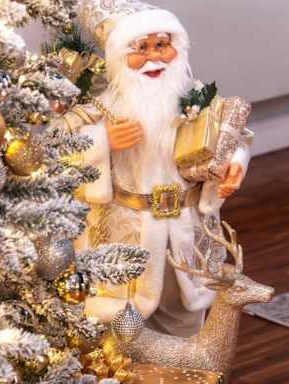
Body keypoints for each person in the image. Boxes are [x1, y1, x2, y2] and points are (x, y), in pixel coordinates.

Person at [57, 0, 251, 337]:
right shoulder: (101, 105)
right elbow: (55, 147)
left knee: (184, 312)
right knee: (124, 319)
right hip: (127, 232)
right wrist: (102, 140)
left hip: (185, 227)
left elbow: (235, 137)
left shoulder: (194, 98)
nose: (154, 58)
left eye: (162, 45)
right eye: (140, 49)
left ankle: (184, 365)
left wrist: (234, 163)